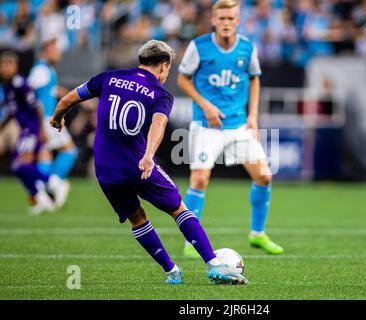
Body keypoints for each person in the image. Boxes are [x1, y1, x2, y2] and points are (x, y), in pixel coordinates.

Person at [49, 39, 248, 285]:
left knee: (137, 218)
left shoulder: (109, 78)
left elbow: (68, 99)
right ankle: (213, 264)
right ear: (163, 66)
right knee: (179, 209)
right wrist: (148, 155)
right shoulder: (160, 93)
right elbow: (158, 123)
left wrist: (58, 117)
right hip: (138, 164)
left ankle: (172, 272)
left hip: (106, 170)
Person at [177, 0, 283, 257]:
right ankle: (191, 241)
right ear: (214, 20)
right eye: (221, 18)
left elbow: (255, 78)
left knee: (264, 176)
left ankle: (257, 234)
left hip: (238, 124)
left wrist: (253, 115)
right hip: (206, 125)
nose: (226, 23)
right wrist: (205, 105)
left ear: (238, 21)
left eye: (231, 18)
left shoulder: (246, 48)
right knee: (200, 179)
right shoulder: (199, 47)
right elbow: (182, 78)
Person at [0, 51, 55, 214]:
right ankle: (41, 198)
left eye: (8, 64)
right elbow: (11, 112)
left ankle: (52, 183)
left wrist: (41, 131)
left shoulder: (19, 83)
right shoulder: (7, 85)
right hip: (24, 129)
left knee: (20, 166)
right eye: (3, 65)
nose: (5, 68)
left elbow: (37, 106)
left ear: (15, 67)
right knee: (20, 167)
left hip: (31, 129)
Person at [28, 38, 77, 209]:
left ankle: (41, 197)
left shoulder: (48, 70)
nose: (57, 54)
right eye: (53, 51)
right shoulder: (40, 70)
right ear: (45, 52)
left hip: (44, 119)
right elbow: (31, 97)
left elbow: (53, 90)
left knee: (45, 154)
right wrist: (38, 123)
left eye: (58, 51)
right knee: (70, 150)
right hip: (46, 119)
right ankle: (54, 185)